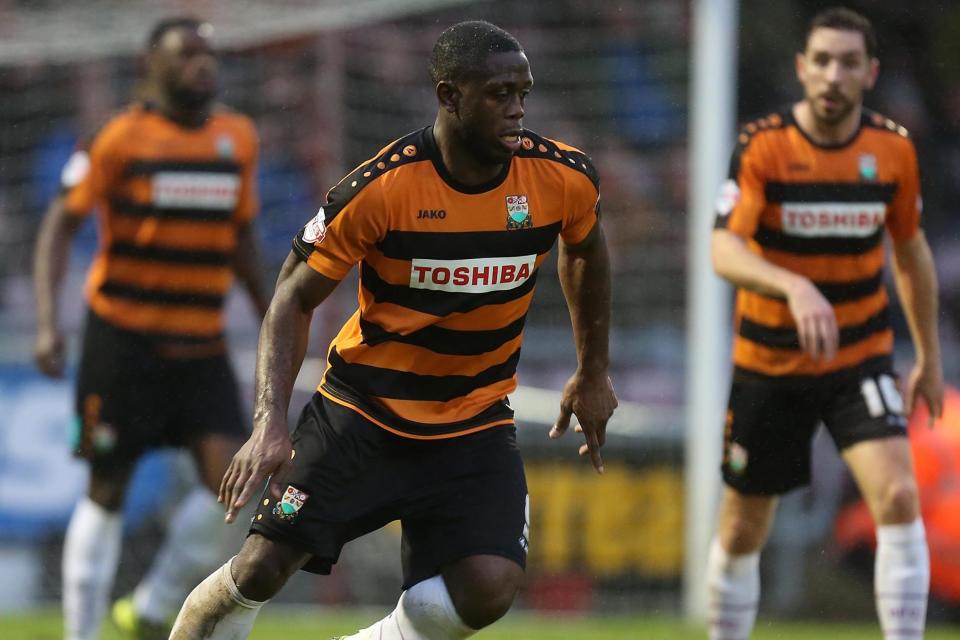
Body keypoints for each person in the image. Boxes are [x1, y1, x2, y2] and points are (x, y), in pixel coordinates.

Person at [168, 19, 617, 640]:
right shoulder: (382, 188)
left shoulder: (561, 178)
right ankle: (196, 622)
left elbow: (588, 251)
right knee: (264, 567)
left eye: (524, 92)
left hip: (474, 422)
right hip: (363, 415)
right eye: (499, 94)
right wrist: (270, 423)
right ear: (449, 95)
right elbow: (291, 299)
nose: (517, 110)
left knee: (488, 587)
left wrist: (592, 371)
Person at [707, 7, 943, 640]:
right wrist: (793, 285)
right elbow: (723, 248)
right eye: (822, 61)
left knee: (897, 496)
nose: (833, 74)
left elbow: (911, 251)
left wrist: (929, 357)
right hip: (769, 361)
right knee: (740, 527)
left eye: (847, 63)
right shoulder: (764, 146)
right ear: (801, 68)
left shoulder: (892, 150)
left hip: (858, 357)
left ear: (870, 73)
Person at [32, 16, 269, 640]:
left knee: (239, 493)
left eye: (209, 55)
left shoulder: (237, 137)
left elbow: (243, 237)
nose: (204, 65)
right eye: (188, 55)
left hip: (202, 347)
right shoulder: (118, 138)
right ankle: (80, 634)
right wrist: (48, 323)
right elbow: (59, 225)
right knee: (105, 489)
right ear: (151, 66)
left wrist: (275, 313)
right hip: (123, 344)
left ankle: (155, 603)